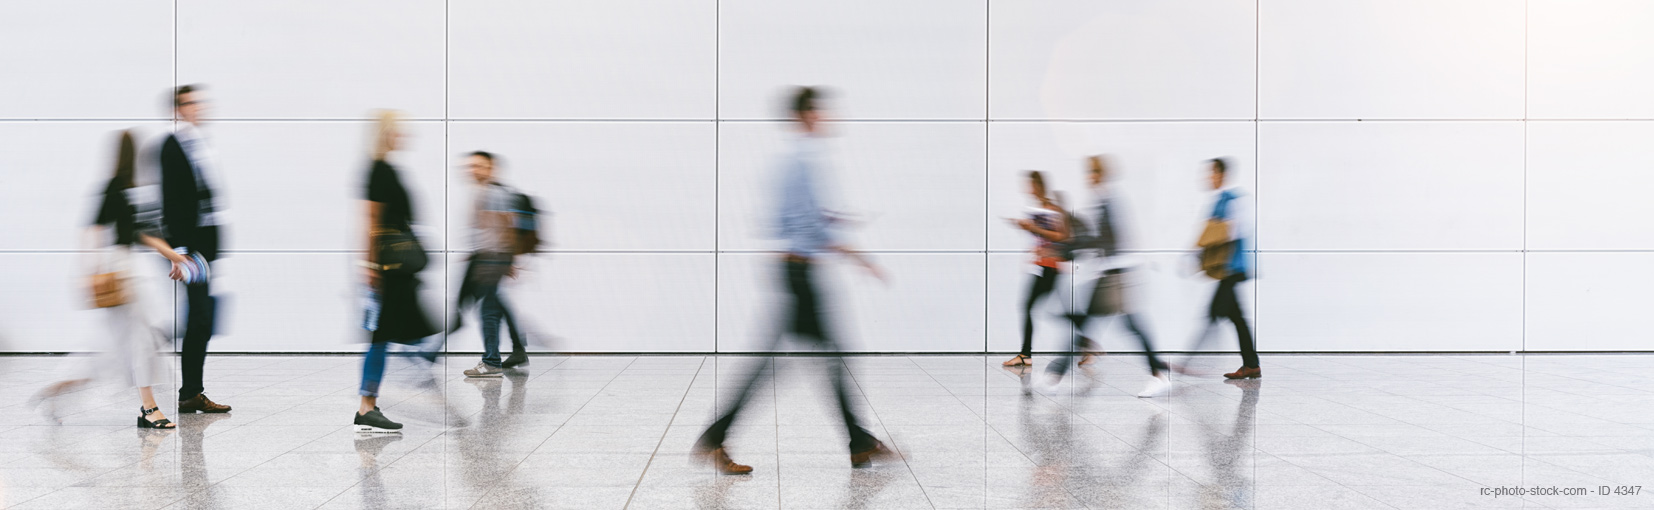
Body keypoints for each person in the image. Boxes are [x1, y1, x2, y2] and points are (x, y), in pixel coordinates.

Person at [694, 87, 894, 474]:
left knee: (809, 359)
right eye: (822, 111)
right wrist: (857, 255)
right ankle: (857, 441)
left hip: (793, 270)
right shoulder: (803, 160)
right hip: (801, 273)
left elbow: (783, 221)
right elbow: (809, 225)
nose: (828, 118)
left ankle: (856, 441)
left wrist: (831, 224)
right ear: (807, 115)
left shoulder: (788, 162)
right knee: (822, 358)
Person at [31, 131, 188, 429]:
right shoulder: (119, 187)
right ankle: (148, 408)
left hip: (129, 267)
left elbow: (144, 234)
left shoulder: (132, 188)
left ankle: (56, 391)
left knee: (112, 347)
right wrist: (89, 272)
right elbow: (99, 230)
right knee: (140, 339)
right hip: (124, 270)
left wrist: (173, 256)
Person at [1047, 156, 1172, 397]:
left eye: (1093, 172)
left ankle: (1158, 374)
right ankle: (1056, 374)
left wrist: (1065, 249)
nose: (1089, 177)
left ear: (1102, 174)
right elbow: (1096, 238)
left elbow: (1103, 239)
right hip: (1108, 274)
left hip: (1117, 274)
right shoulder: (1103, 199)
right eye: (1088, 173)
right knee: (1090, 324)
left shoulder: (1109, 201)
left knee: (1124, 325)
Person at [356, 110, 440, 432]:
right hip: (389, 269)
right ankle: (367, 407)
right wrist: (370, 267)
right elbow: (371, 220)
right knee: (384, 337)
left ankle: (370, 404)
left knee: (392, 335)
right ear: (385, 134)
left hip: (398, 270)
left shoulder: (387, 168)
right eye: (396, 131)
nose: (401, 136)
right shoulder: (377, 170)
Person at [159, 85, 230, 414]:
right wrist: (180, 250)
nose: (196, 108)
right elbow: (171, 201)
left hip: (205, 246)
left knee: (202, 318)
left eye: (198, 102)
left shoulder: (199, 144)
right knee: (200, 318)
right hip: (191, 248)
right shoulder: (173, 147)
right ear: (177, 109)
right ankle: (189, 393)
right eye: (188, 103)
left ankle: (191, 391)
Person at [456, 151, 528, 377]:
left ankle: (492, 361)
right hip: (486, 256)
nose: (473, 170)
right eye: (471, 166)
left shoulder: (495, 193)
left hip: (491, 258)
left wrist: (508, 259)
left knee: (488, 309)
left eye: (479, 166)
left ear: (491, 168)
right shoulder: (483, 192)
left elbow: (508, 227)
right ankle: (518, 350)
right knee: (495, 303)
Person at [1188, 158, 1260, 380]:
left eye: (1212, 173)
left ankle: (1190, 361)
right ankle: (1251, 365)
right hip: (1225, 269)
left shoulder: (1235, 199)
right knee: (1236, 317)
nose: (1209, 177)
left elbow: (1237, 229)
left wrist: (1211, 236)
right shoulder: (1220, 199)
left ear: (1221, 174)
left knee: (1212, 313)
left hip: (1232, 267)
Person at [1002, 171, 1070, 367]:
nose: (1027, 189)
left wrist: (1033, 228)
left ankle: (1026, 354)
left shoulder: (1053, 209)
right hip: (1041, 266)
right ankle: (1088, 346)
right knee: (1035, 307)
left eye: (1030, 184)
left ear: (1038, 186)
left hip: (1050, 267)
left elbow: (1062, 236)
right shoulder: (1037, 209)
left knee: (1032, 307)